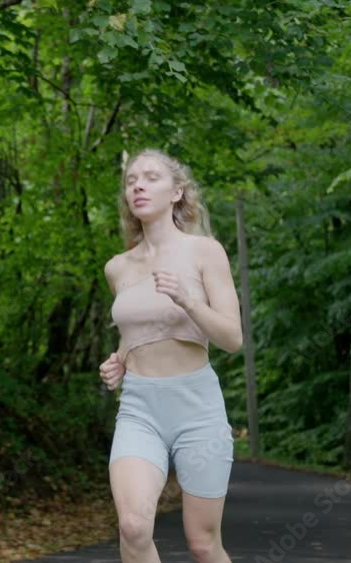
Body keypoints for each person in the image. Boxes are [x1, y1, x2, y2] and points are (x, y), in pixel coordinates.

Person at [99, 148, 243, 563]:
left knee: (203, 543)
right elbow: (135, 332)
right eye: (131, 180)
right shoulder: (118, 268)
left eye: (150, 177)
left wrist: (188, 301)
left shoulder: (205, 252)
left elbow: (232, 338)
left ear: (177, 191)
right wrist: (118, 360)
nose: (138, 186)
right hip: (140, 408)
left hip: (197, 407)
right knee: (133, 527)